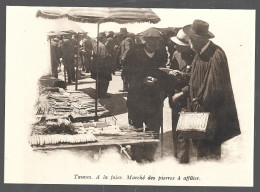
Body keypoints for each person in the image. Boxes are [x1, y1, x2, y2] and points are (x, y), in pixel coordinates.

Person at [172, 19, 241, 163]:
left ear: (199, 39)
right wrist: (184, 77)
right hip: (200, 112)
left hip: (211, 116)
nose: (189, 42)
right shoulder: (199, 54)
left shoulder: (216, 55)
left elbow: (215, 87)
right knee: (201, 152)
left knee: (210, 155)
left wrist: (197, 101)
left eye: (190, 39)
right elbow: (196, 79)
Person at [126, 28, 170, 162]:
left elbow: (164, 75)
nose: (155, 43)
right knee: (136, 129)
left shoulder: (162, 54)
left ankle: (149, 155)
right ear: (145, 41)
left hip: (155, 100)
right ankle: (137, 156)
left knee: (153, 129)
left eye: (157, 40)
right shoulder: (133, 53)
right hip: (136, 99)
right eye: (151, 40)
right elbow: (126, 74)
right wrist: (142, 81)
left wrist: (163, 88)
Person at [168, 29, 195, 161]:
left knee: (184, 134)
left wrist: (182, 91)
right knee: (175, 131)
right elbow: (172, 74)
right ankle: (176, 158)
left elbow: (197, 81)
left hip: (187, 99)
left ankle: (183, 161)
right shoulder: (176, 54)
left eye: (179, 44)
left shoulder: (196, 57)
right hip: (175, 99)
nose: (176, 46)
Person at [91, 32, 112, 98]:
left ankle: (98, 93)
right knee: (105, 80)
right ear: (102, 38)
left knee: (98, 80)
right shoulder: (102, 46)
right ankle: (103, 94)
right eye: (105, 37)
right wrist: (109, 56)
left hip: (96, 65)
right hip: (103, 65)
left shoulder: (95, 45)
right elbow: (104, 56)